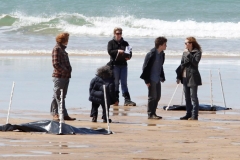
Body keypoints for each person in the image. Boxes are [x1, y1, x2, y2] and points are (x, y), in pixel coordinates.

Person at [107, 27, 136, 106]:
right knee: (116, 83)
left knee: (124, 83)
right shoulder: (111, 43)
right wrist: (117, 51)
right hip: (115, 65)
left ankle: (127, 100)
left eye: (120, 33)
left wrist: (128, 57)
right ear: (114, 34)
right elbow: (109, 51)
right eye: (117, 33)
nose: (119, 35)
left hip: (123, 65)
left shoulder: (125, 43)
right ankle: (115, 99)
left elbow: (130, 52)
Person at [50, 32, 76, 121]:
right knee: (57, 95)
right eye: (67, 39)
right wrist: (65, 70)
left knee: (62, 96)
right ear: (63, 40)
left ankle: (63, 114)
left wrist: (69, 70)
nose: (68, 41)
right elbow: (55, 64)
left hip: (66, 76)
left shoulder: (63, 49)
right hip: (59, 76)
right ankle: (56, 113)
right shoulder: (56, 49)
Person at [140, 37, 167, 119]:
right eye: (165, 44)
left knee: (158, 97)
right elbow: (145, 67)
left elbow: (160, 66)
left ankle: (153, 113)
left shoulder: (162, 54)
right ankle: (150, 114)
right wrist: (146, 80)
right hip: (151, 78)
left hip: (157, 78)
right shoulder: (151, 54)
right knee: (152, 97)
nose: (166, 46)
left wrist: (162, 76)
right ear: (160, 45)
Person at [176, 37, 202, 120]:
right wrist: (178, 77)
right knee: (187, 97)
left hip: (193, 77)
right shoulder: (184, 52)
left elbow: (195, 62)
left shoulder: (197, 52)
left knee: (193, 97)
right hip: (184, 76)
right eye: (185, 43)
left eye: (186, 43)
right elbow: (182, 65)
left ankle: (195, 115)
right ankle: (188, 113)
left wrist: (188, 54)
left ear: (191, 43)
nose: (185, 44)